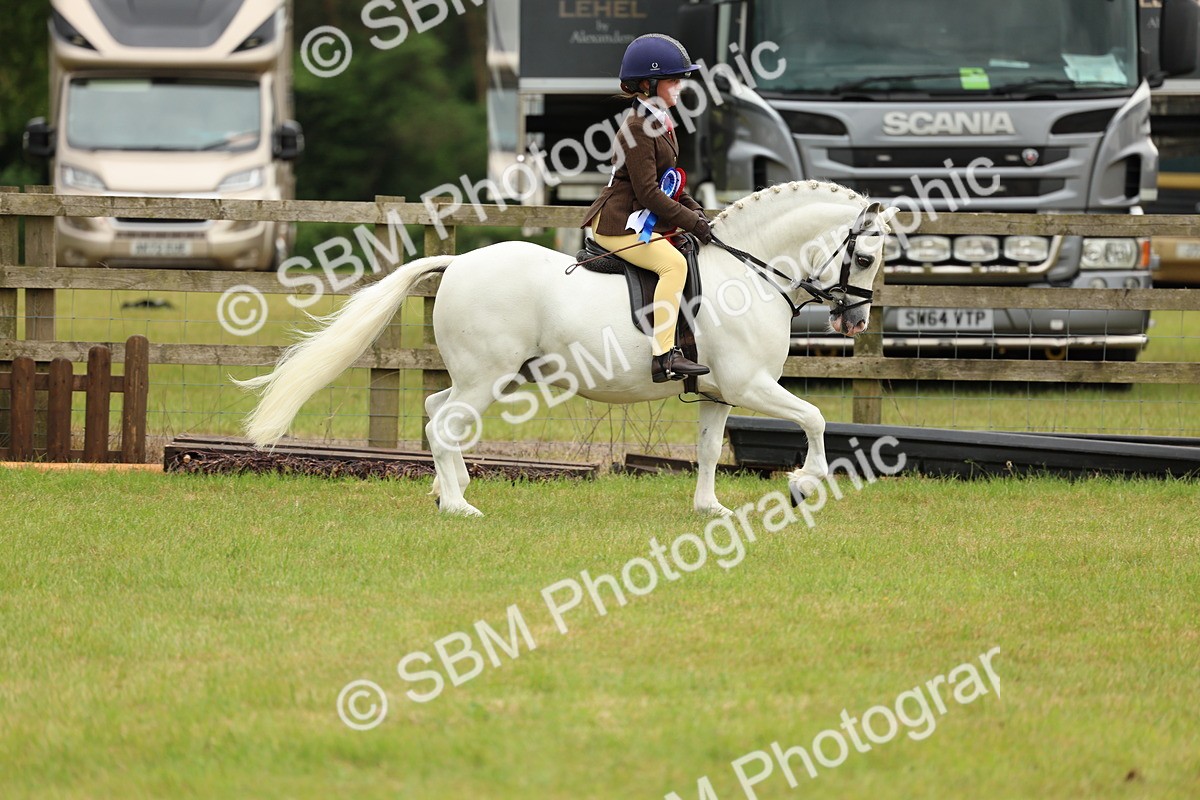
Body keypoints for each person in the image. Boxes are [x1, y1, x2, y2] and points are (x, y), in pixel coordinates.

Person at [580, 33, 713, 383]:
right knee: (672, 265)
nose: (680, 87)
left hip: (639, 217)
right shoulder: (638, 128)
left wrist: (699, 214)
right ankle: (664, 356)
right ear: (648, 84)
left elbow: (670, 183)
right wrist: (692, 223)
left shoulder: (660, 123)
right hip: (618, 224)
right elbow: (651, 193)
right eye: (673, 80)